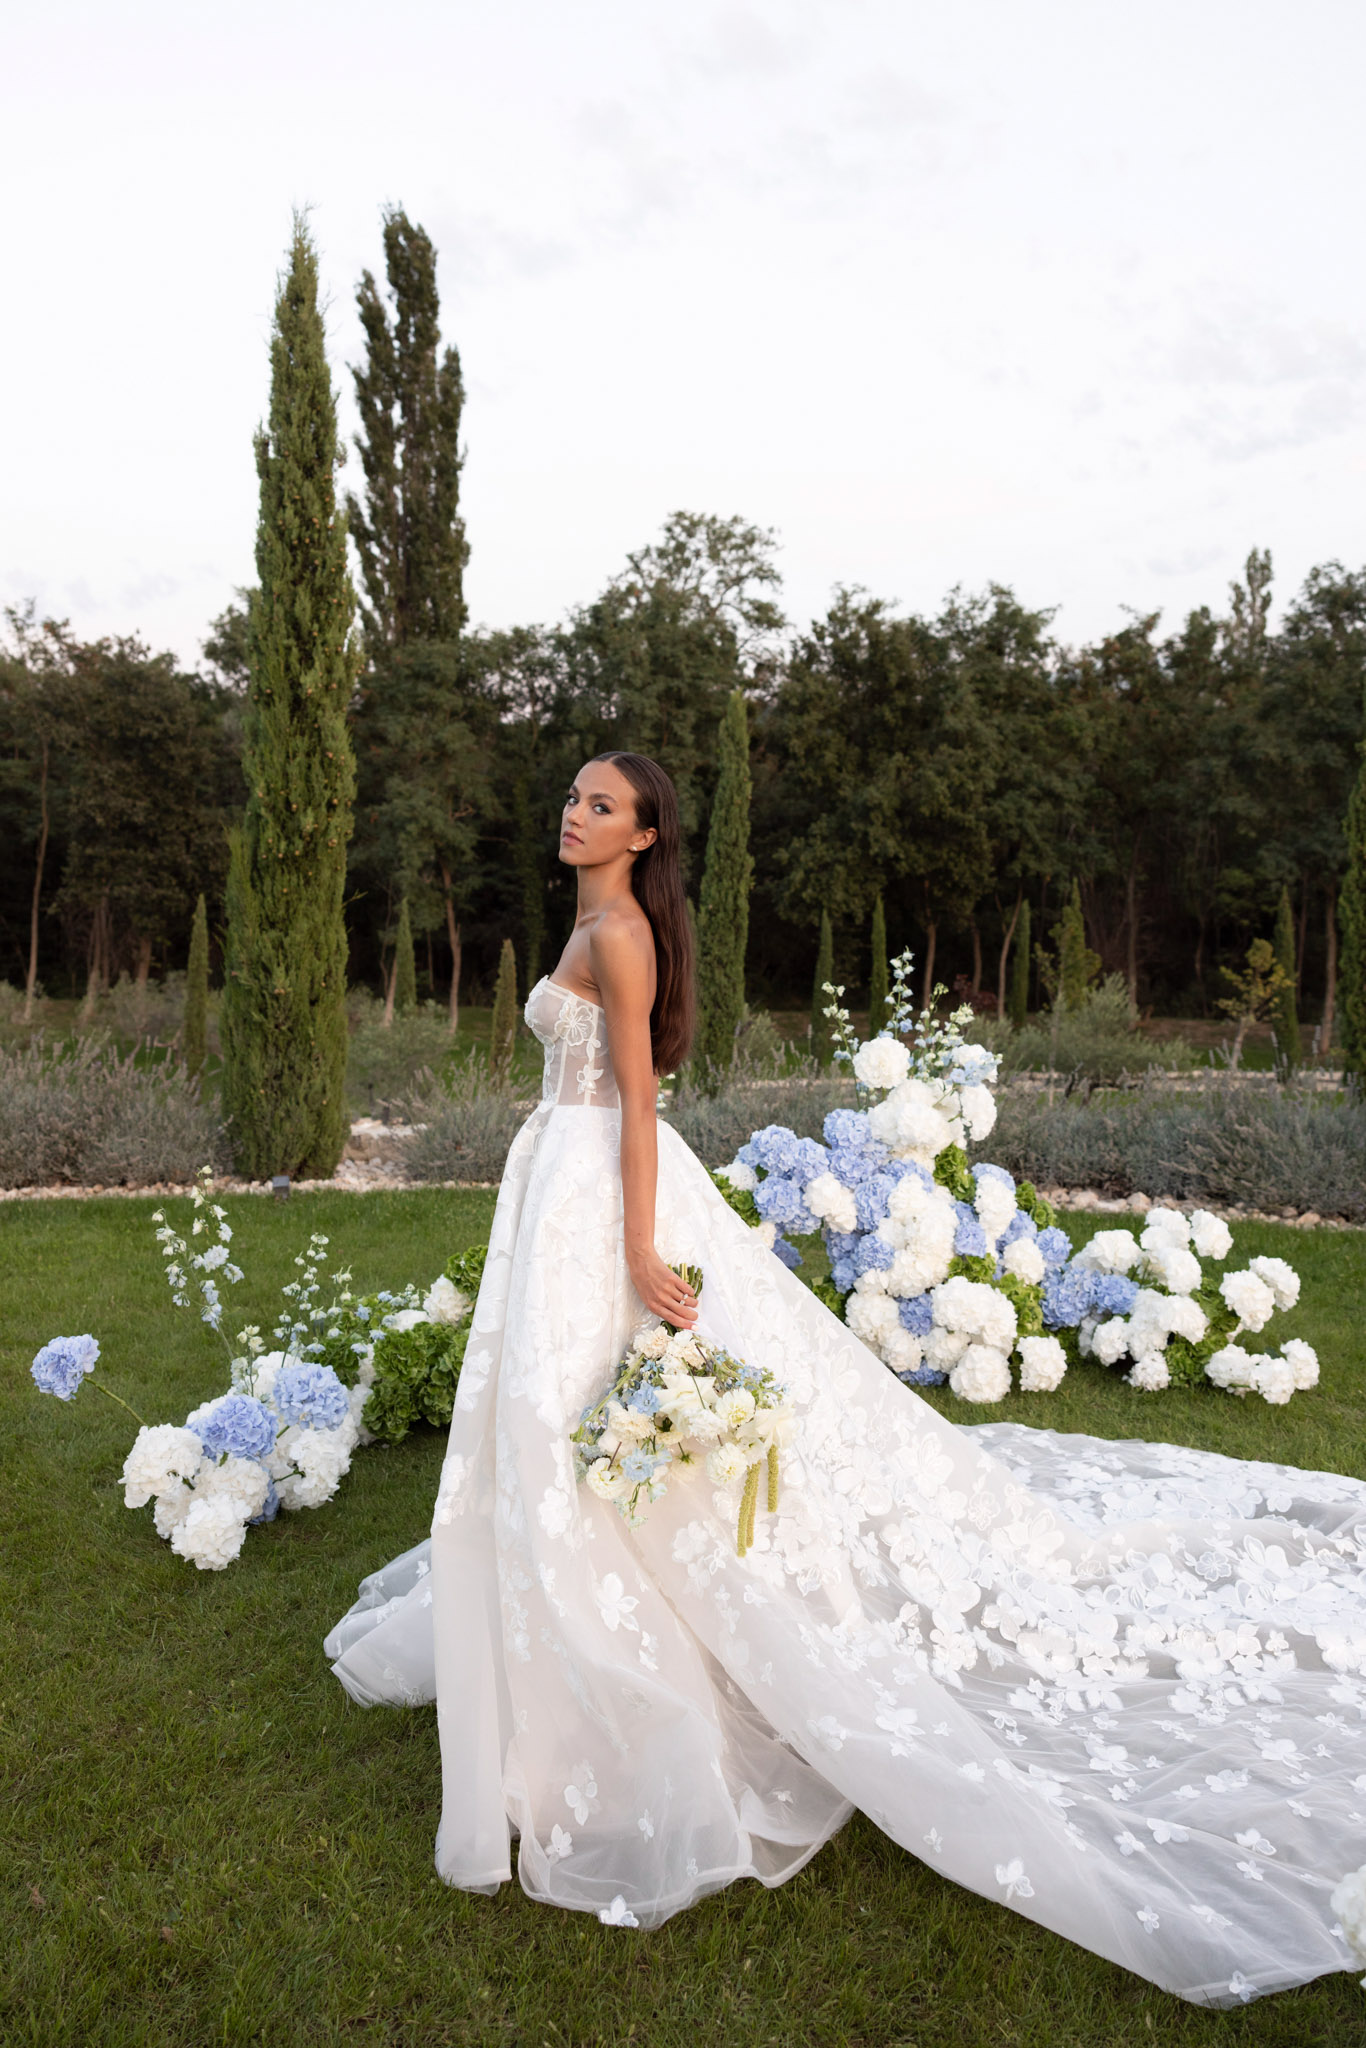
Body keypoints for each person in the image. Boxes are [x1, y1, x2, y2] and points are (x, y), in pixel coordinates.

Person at [326, 752, 1366, 2006]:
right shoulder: (588, 917)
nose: (575, 811)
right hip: (560, 1176)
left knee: (595, 1407)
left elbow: (642, 1098)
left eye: (602, 804)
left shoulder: (621, 935)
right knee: (554, 1419)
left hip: (608, 1186)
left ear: (646, 834)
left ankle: (620, 1659)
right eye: (576, 796)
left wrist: (642, 1248)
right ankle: (566, 1640)